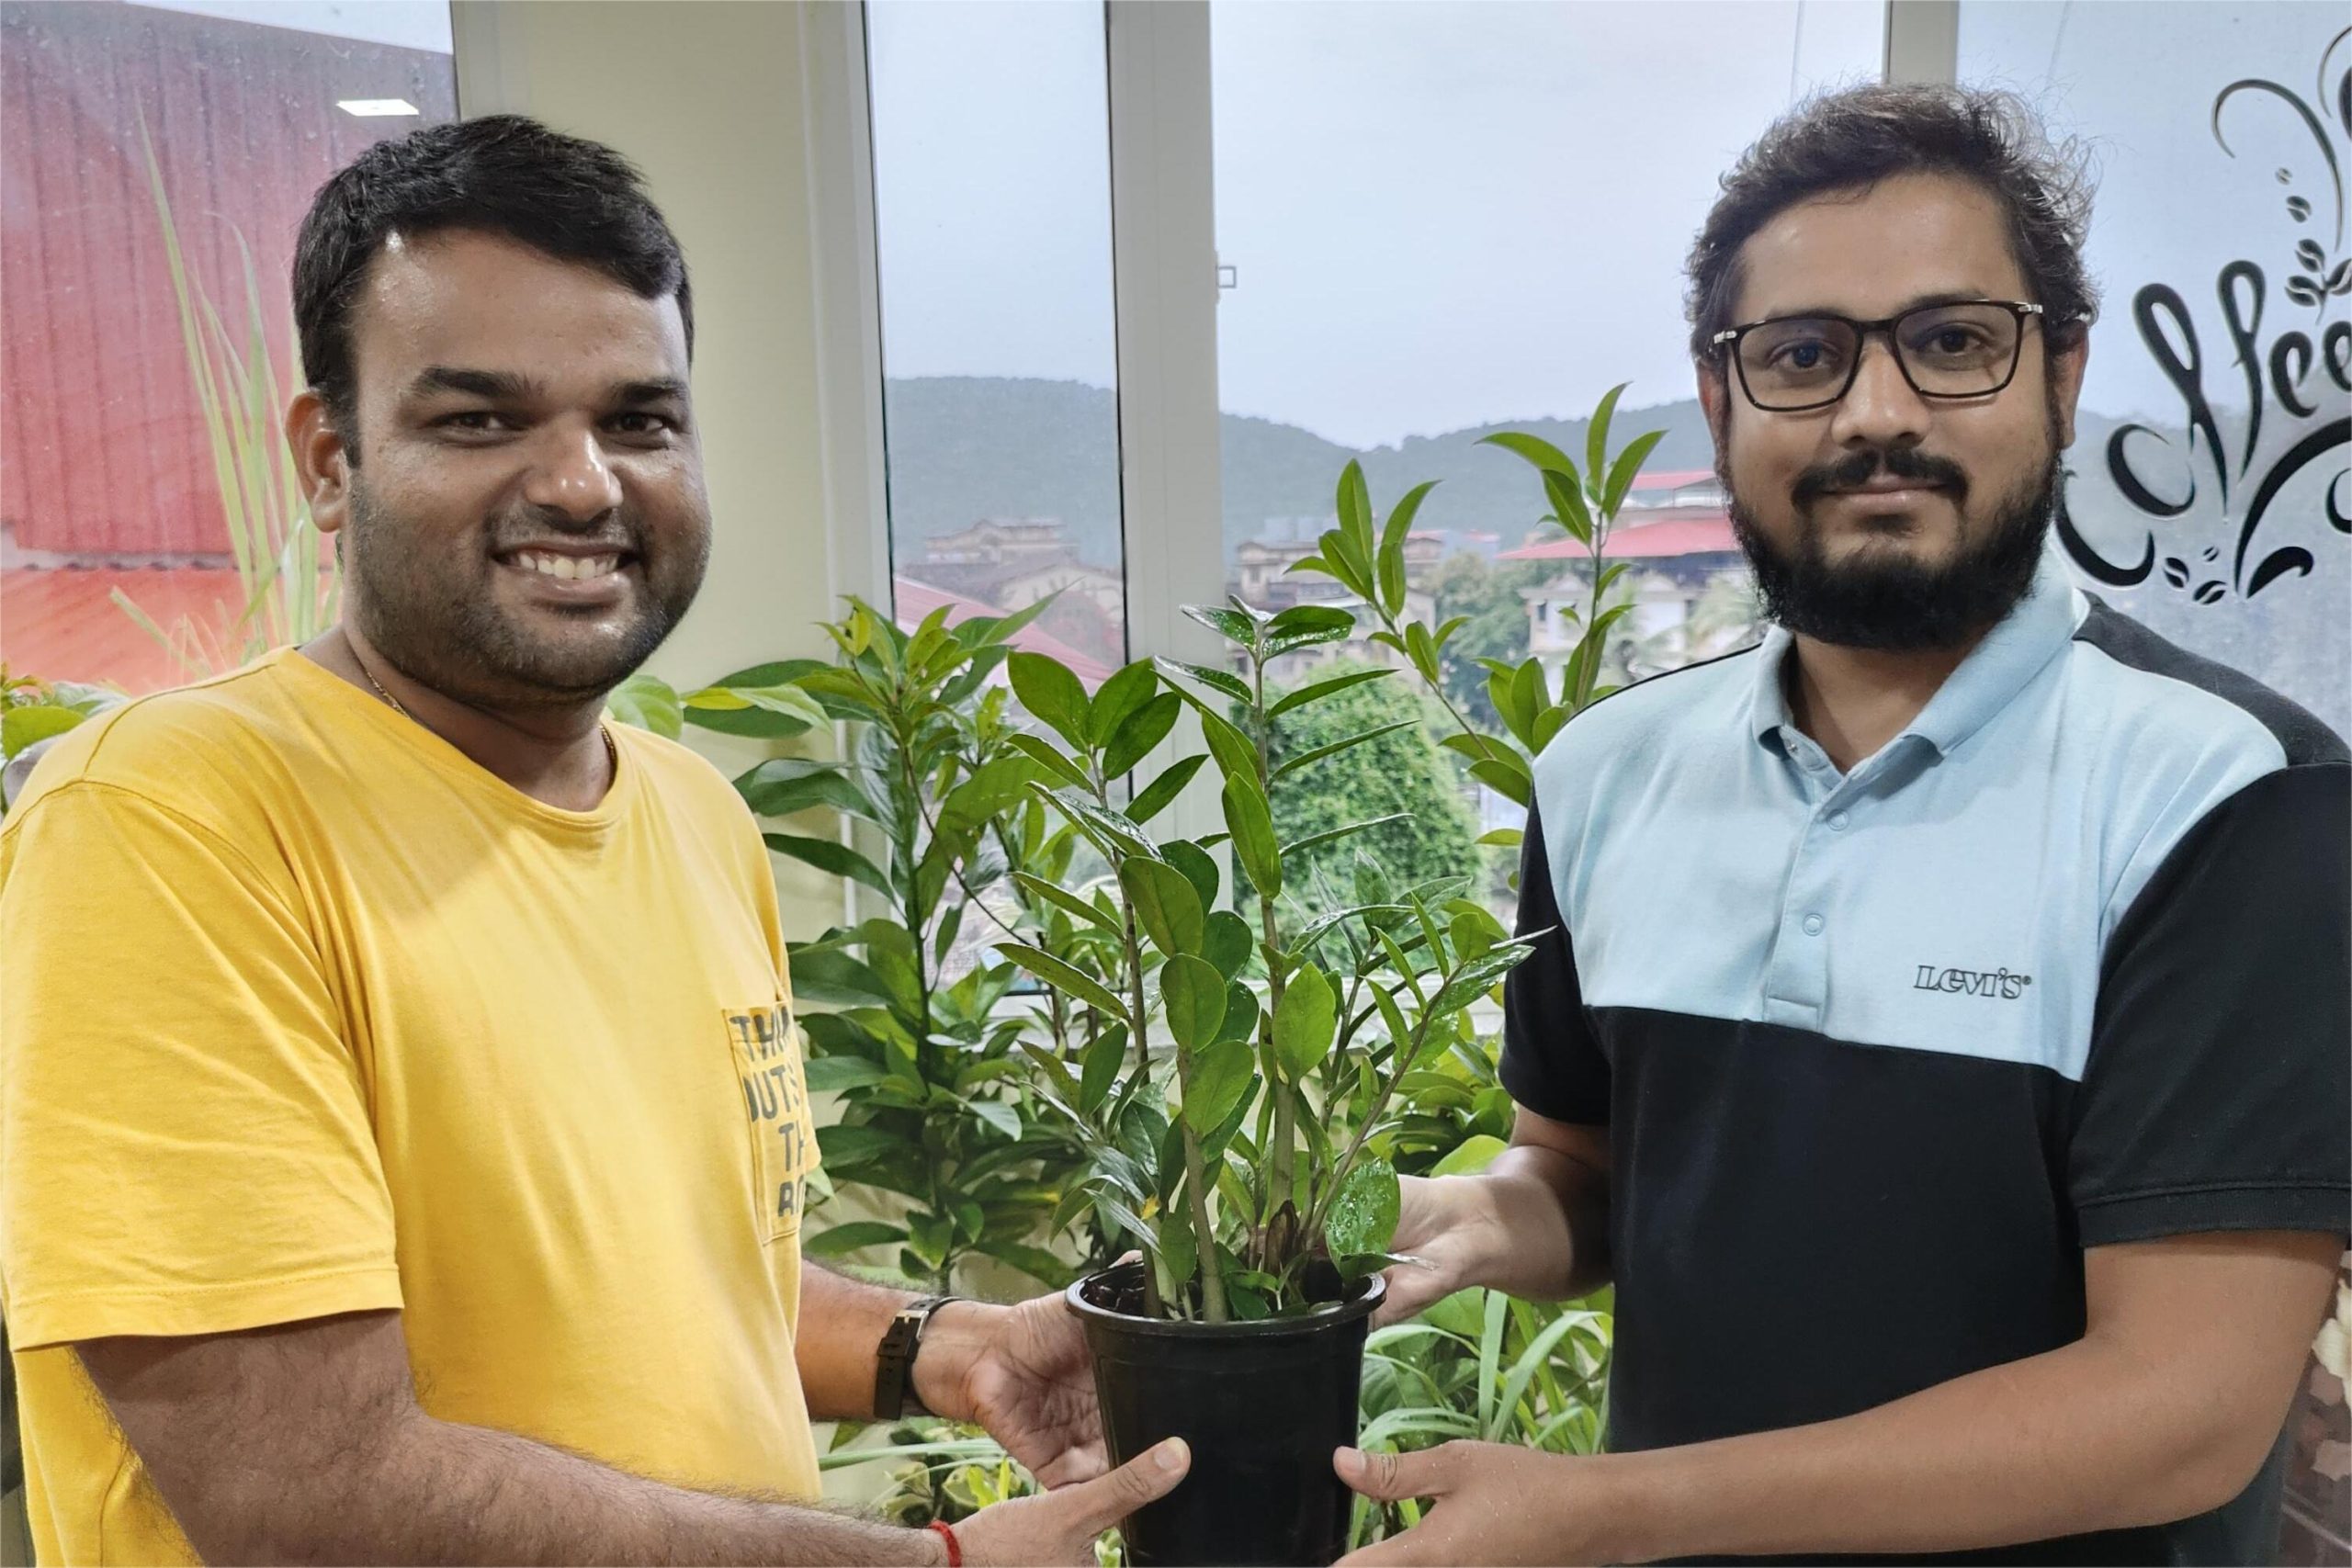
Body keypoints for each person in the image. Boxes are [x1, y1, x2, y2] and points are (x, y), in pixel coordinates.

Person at [0, 115, 1185, 1567]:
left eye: (639, 421)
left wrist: (949, 1348)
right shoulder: (169, 819)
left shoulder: (692, 815)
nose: (581, 483)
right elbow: (300, 1489)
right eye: (478, 420)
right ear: (329, 461)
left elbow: (681, 1288)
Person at [1340, 83, 2348, 1565]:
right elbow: (1587, 1172)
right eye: (1804, 356)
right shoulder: (1606, 771)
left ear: (2062, 376)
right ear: (1722, 403)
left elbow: (2181, 1407)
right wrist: (1482, 1219)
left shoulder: (2229, 794)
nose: (1879, 415)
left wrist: (1614, 1516)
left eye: (1953, 342)